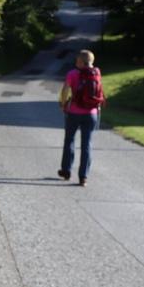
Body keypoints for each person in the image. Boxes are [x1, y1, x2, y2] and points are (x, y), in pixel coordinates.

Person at [57, 49, 104, 186]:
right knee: (87, 144)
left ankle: (66, 171)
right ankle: (83, 177)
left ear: (80, 62)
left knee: (69, 140)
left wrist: (63, 103)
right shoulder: (96, 73)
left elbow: (65, 90)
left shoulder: (72, 73)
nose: (75, 62)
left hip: (74, 112)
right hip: (91, 114)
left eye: (77, 60)